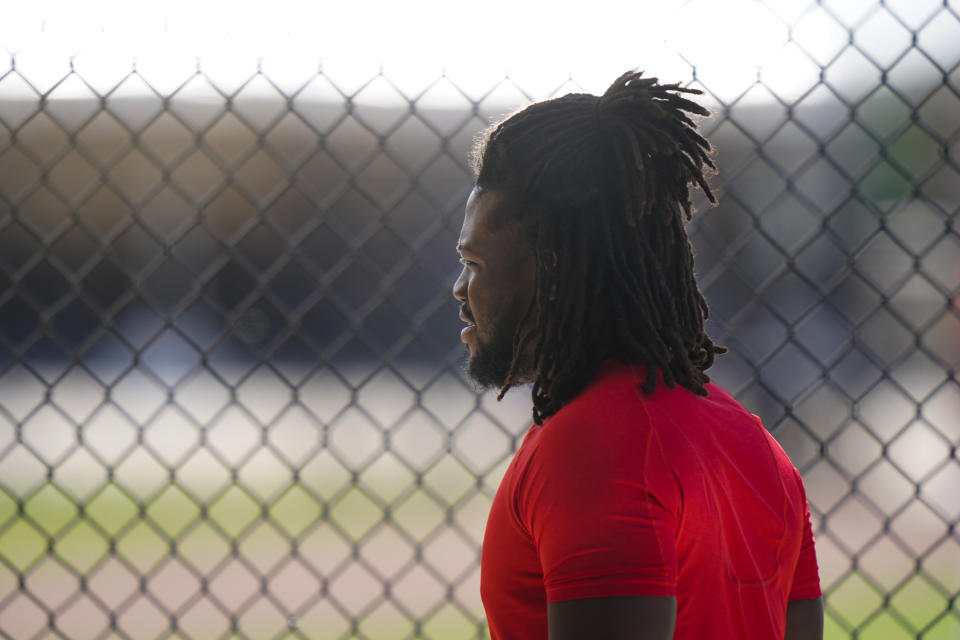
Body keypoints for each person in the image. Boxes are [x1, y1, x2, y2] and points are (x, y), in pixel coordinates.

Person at [452, 71, 823, 640]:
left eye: (475, 264)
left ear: (550, 266)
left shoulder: (589, 449)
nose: (460, 289)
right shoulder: (756, 446)